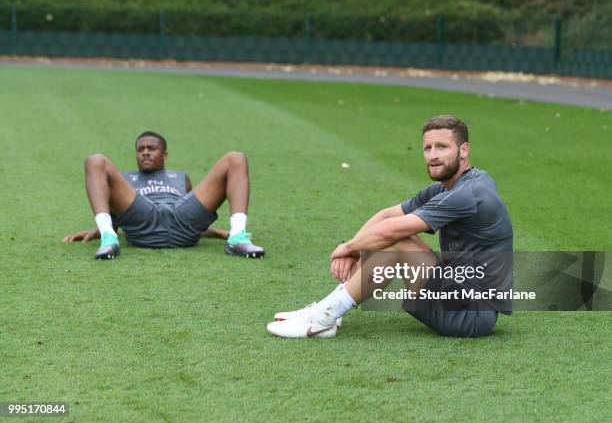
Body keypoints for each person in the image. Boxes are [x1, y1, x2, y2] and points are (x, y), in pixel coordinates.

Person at [267, 115, 512, 338]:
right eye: (428, 148)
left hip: (472, 314)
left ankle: (324, 319)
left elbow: (391, 231)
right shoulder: (448, 185)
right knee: (393, 238)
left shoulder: (467, 193)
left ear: (463, 150)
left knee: (399, 242)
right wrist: (354, 250)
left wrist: (348, 248)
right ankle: (331, 309)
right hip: (458, 292)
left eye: (442, 147)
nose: (433, 155)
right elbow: (386, 216)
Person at [64, 131, 265, 260]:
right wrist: (100, 229)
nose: (145, 153)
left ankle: (237, 237)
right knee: (95, 160)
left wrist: (217, 233)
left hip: (180, 220)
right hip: (144, 219)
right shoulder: (126, 179)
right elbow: (120, 214)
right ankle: (108, 239)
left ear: (164, 154)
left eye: (152, 148)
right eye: (140, 149)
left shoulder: (180, 177)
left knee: (236, 159)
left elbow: (192, 219)